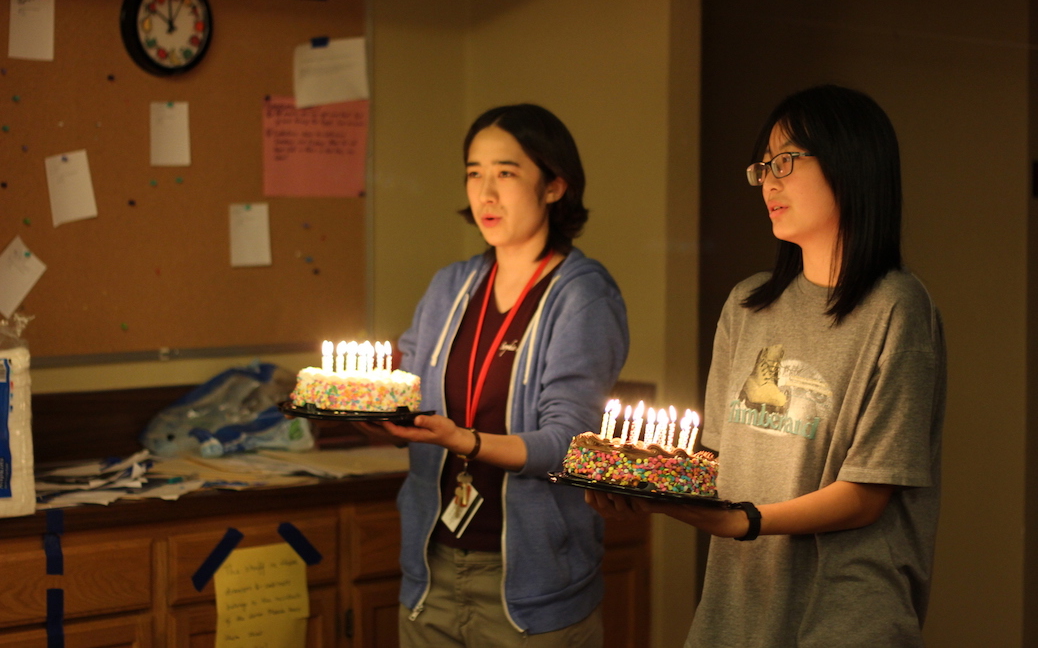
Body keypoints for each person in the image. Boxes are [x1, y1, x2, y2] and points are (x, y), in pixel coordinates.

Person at [587, 84, 946, 647]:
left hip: (843, 617)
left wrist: (746, 520)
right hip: (736, 609)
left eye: (786, 161)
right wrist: (641, 481)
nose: (769, 182)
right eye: (763, 166)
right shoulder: (748, 304)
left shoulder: (896, 307)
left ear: (852, 163)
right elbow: (717, 461)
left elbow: (868, 493)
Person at [374, 103, 629, 647]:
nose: (485, 193)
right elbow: (402, 394)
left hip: (534, 590)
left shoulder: (582, 295)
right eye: (474, 173)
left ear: (555, 186)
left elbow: (570, 445)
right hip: (431, 574)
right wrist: (366, 414)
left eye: (506, 173)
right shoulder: (451, 286)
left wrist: (464, 440)